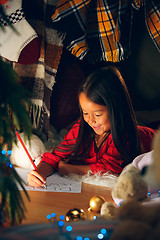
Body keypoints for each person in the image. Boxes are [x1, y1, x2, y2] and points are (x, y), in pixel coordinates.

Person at [27, 66, 156, 188]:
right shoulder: (81, 129)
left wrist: (68, 169)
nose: (91, 120)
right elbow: (54, 157)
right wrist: (38, 173)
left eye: (98, 114)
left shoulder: (122, 135)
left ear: (116, 110)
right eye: (85, 113)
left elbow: (109, 168)